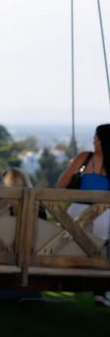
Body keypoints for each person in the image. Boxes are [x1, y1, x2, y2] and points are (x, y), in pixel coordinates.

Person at [58, 124, 110, 307]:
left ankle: (74, 282)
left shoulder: (86, 158)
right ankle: (102, 290)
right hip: (106, 215)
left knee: (73, 244)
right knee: (102, 251)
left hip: (79, 212)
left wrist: (72, 166)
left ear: (97, 139)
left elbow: (61, 183)